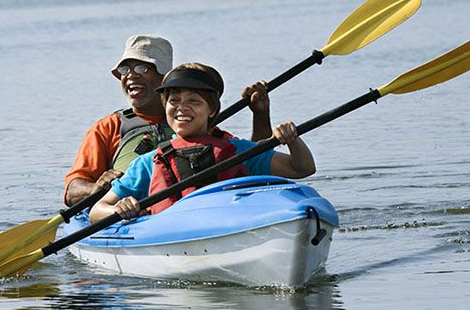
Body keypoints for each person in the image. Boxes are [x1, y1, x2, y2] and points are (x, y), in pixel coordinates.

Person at [89, 63, 315, 222]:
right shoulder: (147, 163)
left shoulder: (237, 150)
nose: (182, 108)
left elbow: (302, 168)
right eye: (174, 101)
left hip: (234, 226)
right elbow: (97, 211)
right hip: (172, 233)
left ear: (212, 110)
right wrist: (119, 208)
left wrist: (292, 140)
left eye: (194, 102)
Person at [64, 35, 272, 206]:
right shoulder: (108, 127)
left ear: (166, 78)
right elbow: (72, 193)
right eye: (125, 70)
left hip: (184, 212)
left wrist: (260, 115)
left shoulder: (190, 122)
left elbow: (253, 162)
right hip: (132, 219)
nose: (130, 76)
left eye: (143, 68)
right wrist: (98, 188)